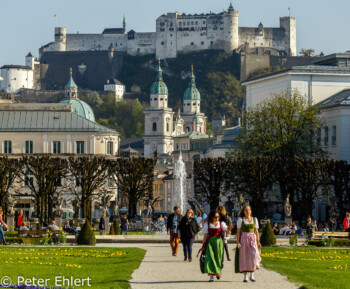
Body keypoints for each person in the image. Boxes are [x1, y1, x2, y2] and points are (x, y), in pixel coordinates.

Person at [235, 205, 261, 283]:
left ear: (251, 211)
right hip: (244, 239)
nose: (247, 211)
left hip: (252, 239)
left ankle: (252, 274)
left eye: (249, 209)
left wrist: (258, 241)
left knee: (254, 255)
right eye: (246, 210)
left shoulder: (254, 219)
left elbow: (256, 232)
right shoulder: (241, 220)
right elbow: (238, 232)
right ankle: (245, 276)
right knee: (244, 257)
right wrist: (238, 242)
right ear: (243, 211)